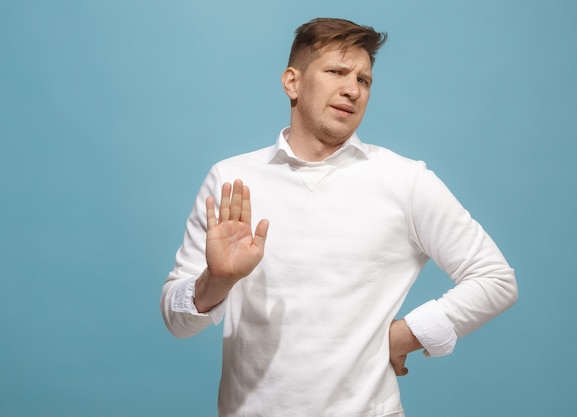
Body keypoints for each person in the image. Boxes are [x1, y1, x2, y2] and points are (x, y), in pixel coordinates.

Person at [161, 17, 518, 417]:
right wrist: (217, 281)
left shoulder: (404, 180)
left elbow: (495, 279)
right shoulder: (231, 179)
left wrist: (407, 334)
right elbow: (177, 321)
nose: (353, 89)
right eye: (336, 72)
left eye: (364, 80)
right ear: (292, 82)